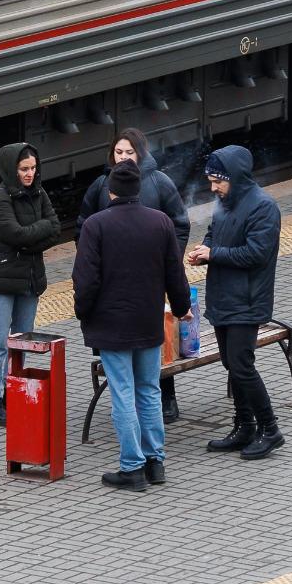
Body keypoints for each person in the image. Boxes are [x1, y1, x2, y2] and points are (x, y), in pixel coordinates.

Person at [74, 162, 192, 490]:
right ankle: (156, 463)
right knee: (149, 390)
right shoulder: (161, 222)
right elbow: (175, 273)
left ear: (111, 191)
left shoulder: (96, 226)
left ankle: (132, 467)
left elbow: (86, 279)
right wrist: (182, 308)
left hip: (112, 326)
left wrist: (82, 312)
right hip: (148, 321)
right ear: (138, 190)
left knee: (123, 393)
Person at [82, 130, 191, 421]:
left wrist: (169, 260)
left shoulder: (159, 182)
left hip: (151, 280)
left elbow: (180, 224)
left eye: (129, 153)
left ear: (140, 153)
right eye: (118, 152)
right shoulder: (101, 185)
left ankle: (167, 396)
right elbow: (84, 227)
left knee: (158, 340)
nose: (123, 158)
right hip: (113, 284)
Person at [187, 146, 283, 459]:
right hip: (225, 297)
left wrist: (215, 255)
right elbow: (215, 232)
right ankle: (244, 426)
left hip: (247, 299)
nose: (213, 188)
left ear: (236, 178)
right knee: (232, 363)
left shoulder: (263, 207)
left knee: (242, 365)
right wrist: (205, 249)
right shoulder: (225, 201)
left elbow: (257, 253)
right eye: (211, 180)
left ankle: (270, 429)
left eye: (218, 181)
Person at [0, 143, 64, 424]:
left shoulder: (39, 193)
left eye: (32, 168)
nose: (29, 174)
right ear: (11, 169)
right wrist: (34, 236)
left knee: (22, 340)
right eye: (24, 169)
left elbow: (56, 230)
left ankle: (12, 389)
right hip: (2, 278)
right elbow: (14, 234)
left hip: (28, 278)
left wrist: (29, 238)